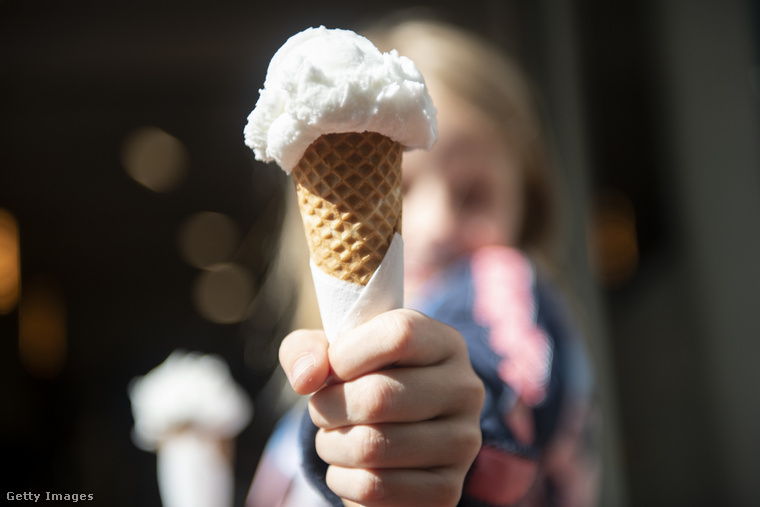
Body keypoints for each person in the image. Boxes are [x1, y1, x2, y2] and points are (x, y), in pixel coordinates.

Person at [247, 15, 599, 507]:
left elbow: (498, 381)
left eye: (473, 194)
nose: (437, 225)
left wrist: (447, 425)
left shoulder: (505, 285)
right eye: (399, 188)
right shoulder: (301, 410)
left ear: (527, 205)